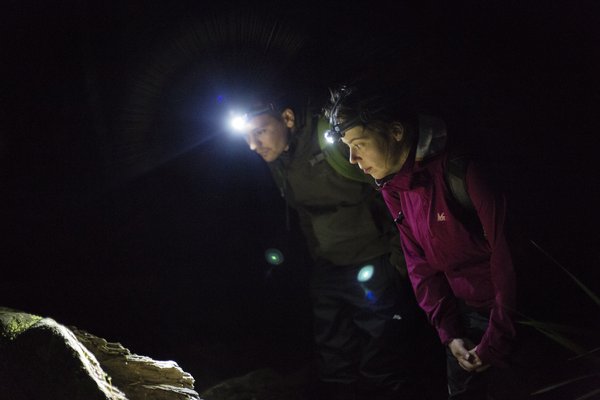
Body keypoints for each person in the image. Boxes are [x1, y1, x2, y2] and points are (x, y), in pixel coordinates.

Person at [232, 86, 442, 399]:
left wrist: (398, 262)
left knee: (383, 360)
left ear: (288, 118)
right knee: (333, 360)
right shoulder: (279, 160)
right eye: (247, 137)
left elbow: (388, 191)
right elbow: (301, 210)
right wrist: (317, 259)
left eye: (260, 132)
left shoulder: (333, 143)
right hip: (329, 266)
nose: (253, 145)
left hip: (374, 259)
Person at [324, 85, 524, 399]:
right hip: (466, 321)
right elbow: (420, 266)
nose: (351, 158)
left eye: (359, 144)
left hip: (518, 318)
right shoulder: (393, 187)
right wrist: (450, 333)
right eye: (348, 147)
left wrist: (497, 340)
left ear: (396, 131)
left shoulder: (463, 171)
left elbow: (511, 260)